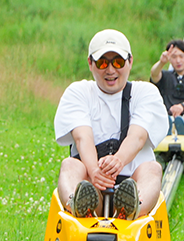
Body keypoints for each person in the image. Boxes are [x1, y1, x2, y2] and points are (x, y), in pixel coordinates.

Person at [53, 29, 168, 220]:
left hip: (133, 180)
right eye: (102, 63)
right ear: (90, 63)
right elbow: (82, 137)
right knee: (70, 165)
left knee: (152, 169)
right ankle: (80, 205)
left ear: (130, 62)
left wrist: (119, 160)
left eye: (118, 62)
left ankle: (131, 208)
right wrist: (95, 172)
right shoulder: (78, 92)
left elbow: (138, 136)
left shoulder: (146, 92)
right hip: (92, 187)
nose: (110, 70)